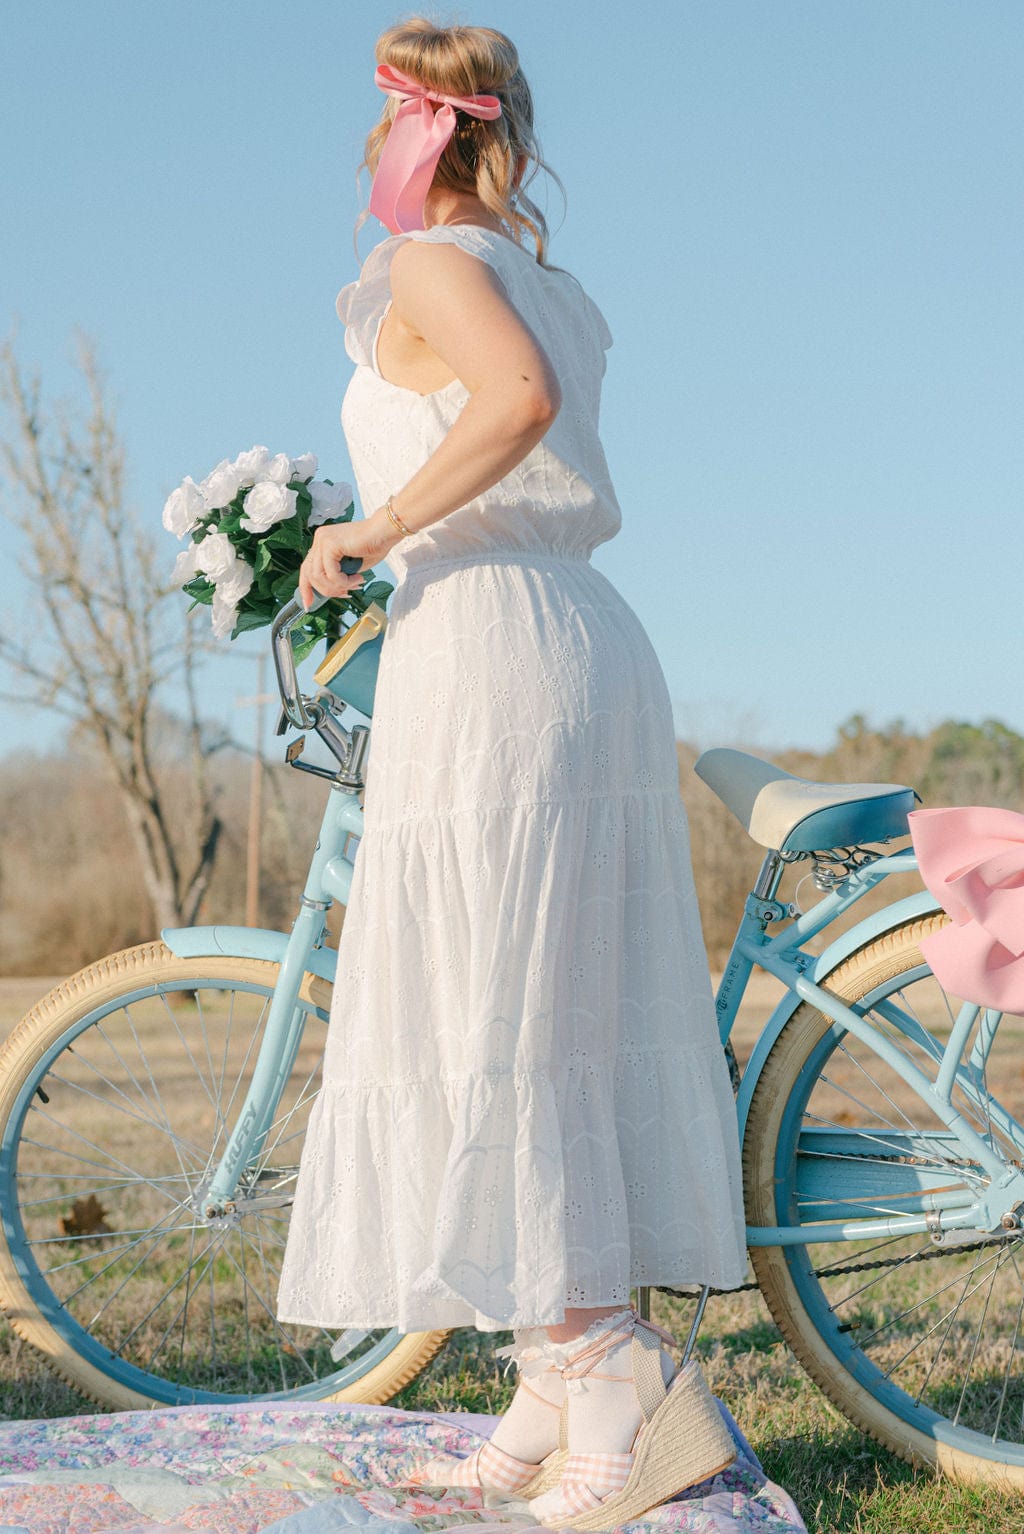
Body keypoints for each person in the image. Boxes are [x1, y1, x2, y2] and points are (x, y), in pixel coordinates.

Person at [276, 18, 748, 1527]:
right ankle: (553, 1373)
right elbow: (536, 406)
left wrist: (368, 528)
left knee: (501, 999)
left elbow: (518, 406)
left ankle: (607, 1360)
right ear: (513, 135)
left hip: (489, 647)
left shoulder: (431, 268)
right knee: (556, 1001)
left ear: (415, 135)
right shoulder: (558, 280)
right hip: (584, 635)